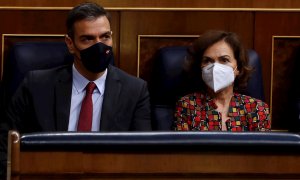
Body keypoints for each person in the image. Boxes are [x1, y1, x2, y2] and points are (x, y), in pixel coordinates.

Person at [0, 2, 151, 178]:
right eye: (88, 39)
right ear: (70, 44)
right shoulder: (36, 85)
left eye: (105, 37)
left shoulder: (135, 90)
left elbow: (143, 156)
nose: (99, 46)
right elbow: (5, 146)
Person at [174, 30, 271, 131]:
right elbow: (182, 145)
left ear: (238, 68)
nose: (215, 67)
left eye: (224, 60)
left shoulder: (256, 108)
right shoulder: (187, 106)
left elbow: (262, 146)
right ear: (200, 67)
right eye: (207, 60)